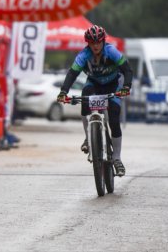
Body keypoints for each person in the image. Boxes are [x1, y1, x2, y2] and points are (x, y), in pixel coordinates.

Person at [56, 25, 133, 177]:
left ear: (103, 41)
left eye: (98, 42)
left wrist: (126, 86)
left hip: (113, 84)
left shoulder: (111, 51)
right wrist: (64, 91)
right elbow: (72, 73)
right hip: (95, 84)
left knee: (114, 117)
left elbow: (127, 70)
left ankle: (117, 158)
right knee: (85, 97)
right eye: (92, 43)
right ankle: (88, 137)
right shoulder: (83, 55)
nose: (96, 46)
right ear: (88, 43)